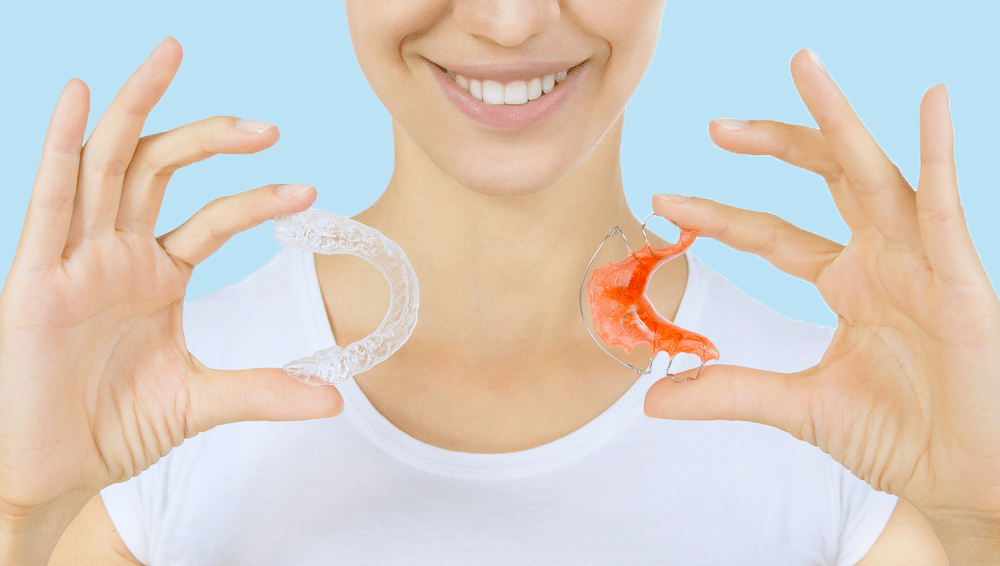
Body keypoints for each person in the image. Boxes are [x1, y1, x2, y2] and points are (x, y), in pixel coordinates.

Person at [1, 1, 997, 564]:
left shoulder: (845, 424)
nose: (512, 21)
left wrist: (975, 519)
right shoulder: (153, 411)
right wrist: (21, 513)